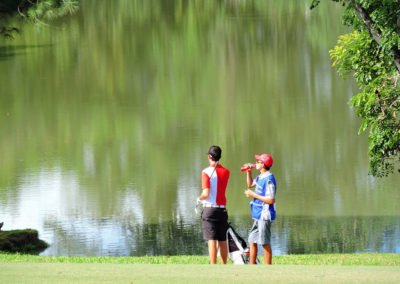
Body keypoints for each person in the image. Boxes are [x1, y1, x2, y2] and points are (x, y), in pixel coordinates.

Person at [198, 145, 230, 264]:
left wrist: (198, 198)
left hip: (209, 210)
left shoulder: (205, 172)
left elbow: (206, 193)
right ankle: (224, 265)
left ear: (210, 156)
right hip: (222, 210)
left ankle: (213, 265)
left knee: (212, 240)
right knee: (222, 239)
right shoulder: (226, 172)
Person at [243, 153, 276, 265]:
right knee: (252, 241)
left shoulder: (269, 179)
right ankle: (252, 267)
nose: (256, 163)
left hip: (264, 215)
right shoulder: (261, 177)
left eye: (258, 161)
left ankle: (268, 268)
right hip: (257, 215)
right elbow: (250, 184)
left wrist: (254, 195)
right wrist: (248, 171)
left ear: (263, 164)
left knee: (264, 243)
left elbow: (271, 200)